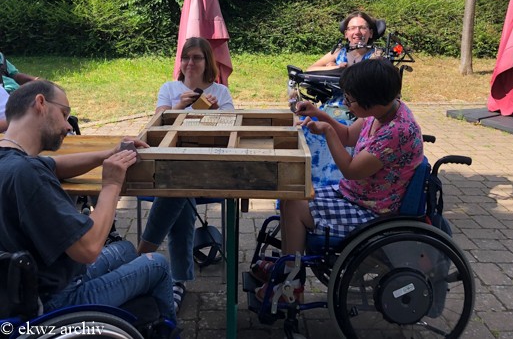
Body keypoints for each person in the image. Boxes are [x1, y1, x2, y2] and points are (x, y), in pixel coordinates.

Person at [0, 80, 176, 323]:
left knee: (126, 250)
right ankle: (165, 329)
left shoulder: (13, 161)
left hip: (24, 285)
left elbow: (55, 165)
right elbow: (89, 248)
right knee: (157, 264)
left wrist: (107, 154)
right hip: (55, 300)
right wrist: (111, 184)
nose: (67, 126)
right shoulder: (28, 175)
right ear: (40, 103)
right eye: (64, 114)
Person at [253, 59, 424, 301]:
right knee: (292, 194)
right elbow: (348, 136)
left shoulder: (397, 131)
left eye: (350, 100)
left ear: (372, 100)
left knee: (294, 203)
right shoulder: (381, 112)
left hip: (371, 212)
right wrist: (319, 114)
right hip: (355, 195)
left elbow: (351, 169)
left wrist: (328, 131)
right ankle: (287, 268)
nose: (345, 104)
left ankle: (291, 286)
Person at [138, 37, 234, 313]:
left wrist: (215, 111)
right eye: (186, 57)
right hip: (173, 168)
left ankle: (142, 258)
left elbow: (234, 130)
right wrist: (178, 106)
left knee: (177, 187)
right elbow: (153, 127)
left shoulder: (220, 92)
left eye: (197, 57)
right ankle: (178, 280)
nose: (190, 63)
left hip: (210, 168)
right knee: (180, 188)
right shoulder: (170, 89)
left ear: (207, 61)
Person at [299, 11, 385, 188]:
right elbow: (311, 69)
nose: (357, 32)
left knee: (333, 129)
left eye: (362, 28)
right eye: (352, 28)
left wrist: (348, 69)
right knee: (302, 125)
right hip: (333, 105)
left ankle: (331, 184)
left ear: (370, 32)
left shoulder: (376, 55)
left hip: (359, 110)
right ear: (346, 33)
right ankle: (305, 183)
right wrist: (335, 67)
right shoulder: (339, 52)